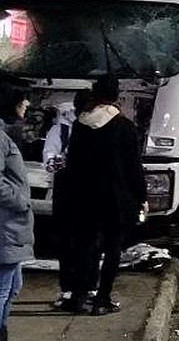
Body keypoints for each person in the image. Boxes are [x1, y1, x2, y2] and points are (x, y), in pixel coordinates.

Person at [64, 75, 145, 316]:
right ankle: (102, 299)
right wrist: (141, 196)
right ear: (116, 96)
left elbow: (73, 163)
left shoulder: (81, 124)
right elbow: (133, 167)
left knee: (85, 245)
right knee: (112, 248)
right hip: (115, 198)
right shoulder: (124, 127)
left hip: (85, 196)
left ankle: (78, 296)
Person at [45, 89, 93, 311]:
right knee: (67, 242)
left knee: (91, 243)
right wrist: (72, 161)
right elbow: (50, 162)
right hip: (67, 194)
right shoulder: (61, 130)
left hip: (90, 194)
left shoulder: (98, 128)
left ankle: (89, 288)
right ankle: (68, 289)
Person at [0, 82, 34, 341]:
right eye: (23, 101)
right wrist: (22, 200)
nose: (27, 106)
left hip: (12, 228)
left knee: (12, 288)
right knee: (2, 291)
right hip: (5, 227)